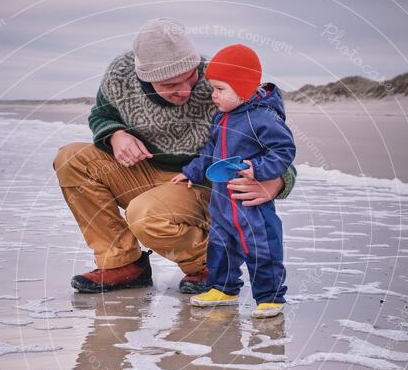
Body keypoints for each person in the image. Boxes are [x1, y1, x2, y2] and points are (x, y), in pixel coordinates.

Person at [52, 18, 297, 294]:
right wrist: (115, 134)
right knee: (71, 158)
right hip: (144, 172)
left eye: (189, 76)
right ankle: (123, 263)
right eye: (170, 84)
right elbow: (102, 115)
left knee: (144, 215)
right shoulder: (120, 75)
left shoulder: (219, 81)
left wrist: (277, 181)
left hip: (200, 184)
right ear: (144, 78)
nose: (184, 89)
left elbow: (273, 140)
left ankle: (208, 263)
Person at [171, 44, 295, 317]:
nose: (213, 95)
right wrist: (191, 171)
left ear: (243, 88)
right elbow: (210, 151)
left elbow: (284, 150)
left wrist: (259, 168)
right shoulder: (222, 117)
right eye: (213, 88)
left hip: (248, 201)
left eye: (220, 89)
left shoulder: (262, 118)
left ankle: (270, 296)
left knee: (260, 246)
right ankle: (224, 288)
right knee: (221, 244)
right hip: (222, 200)